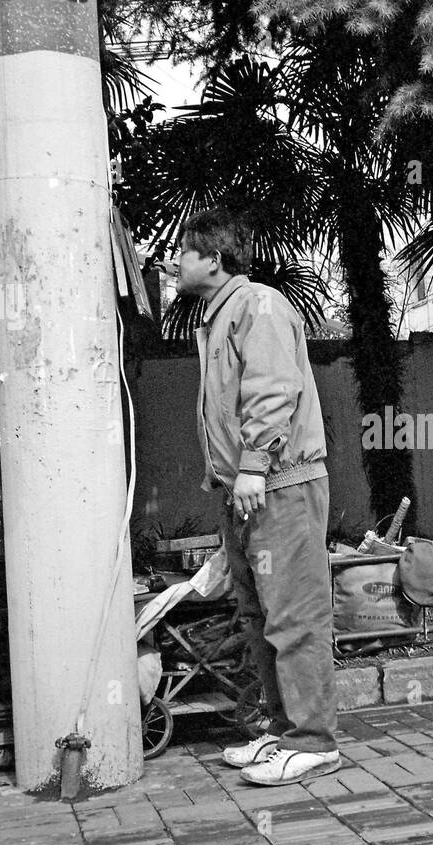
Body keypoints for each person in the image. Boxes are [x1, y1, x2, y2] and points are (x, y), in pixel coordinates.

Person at [175, 207, 340, 785]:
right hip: (245, 489)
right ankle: (283, 729)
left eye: (185, 252)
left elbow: (273, 390)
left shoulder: (259, 306)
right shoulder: (219, 317)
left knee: (294, 614)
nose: (175, 261)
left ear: (214, 260)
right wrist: (225, 476)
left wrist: (252, 466)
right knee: (260, 614)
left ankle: (314, 740)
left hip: (279, 484)